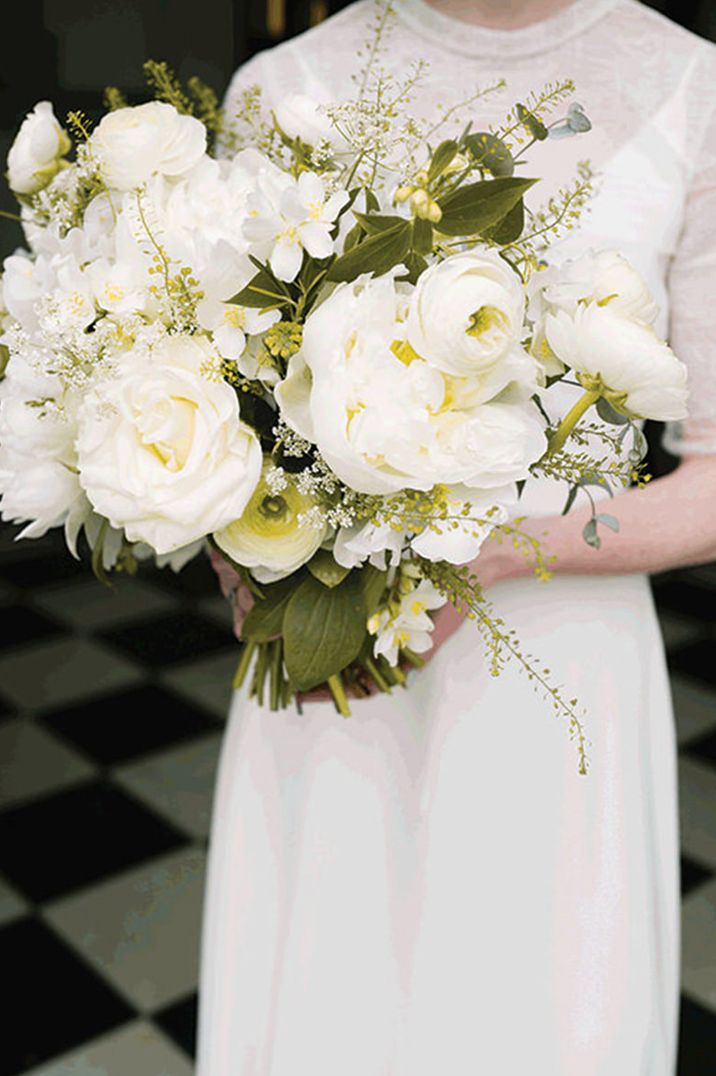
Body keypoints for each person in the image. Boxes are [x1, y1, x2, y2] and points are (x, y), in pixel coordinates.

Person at [196, 2, 716, 1072]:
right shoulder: (277, 87)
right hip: (335, 671)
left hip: (562, 672)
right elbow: (226, 417)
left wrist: (487, 548)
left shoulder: (688, 87)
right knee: (327, 1011)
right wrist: (243, 567)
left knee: (542, 1013)